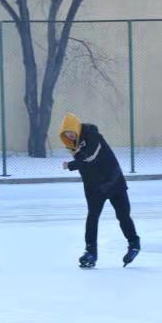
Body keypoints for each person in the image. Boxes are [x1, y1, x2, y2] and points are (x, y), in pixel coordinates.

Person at [59, 112, 141, 269]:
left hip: (113, 181)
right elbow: (86, 165)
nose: (69, 135)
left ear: (77, 128)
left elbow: (90, 157)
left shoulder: (93, 136)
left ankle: (134, 244)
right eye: (66, 133)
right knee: (92, 218)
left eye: (71, 131)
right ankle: (91, 253)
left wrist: (71, 165)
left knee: (123, 215)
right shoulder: (73, 145)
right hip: (94, 188)